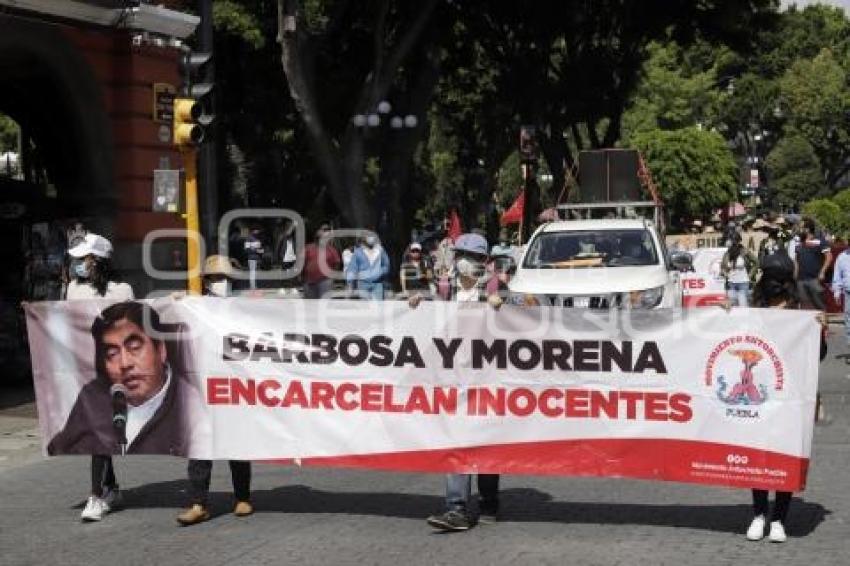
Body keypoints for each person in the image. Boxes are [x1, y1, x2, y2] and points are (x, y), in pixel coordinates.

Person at [410, 232, 505, 532]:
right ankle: (456, 508)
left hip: (487, 377)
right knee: (457, 440)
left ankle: (489, 500)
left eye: (475, 257)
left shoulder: (494, 286)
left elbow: (521, 319)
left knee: (485, 444)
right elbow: (431, 314)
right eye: (462, 254)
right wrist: (417, 303)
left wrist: (503, 305)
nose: (467, 261)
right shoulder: (445, 288)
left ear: (485, 261)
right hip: (453, 378)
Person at [744, 275, 826, 543]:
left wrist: (819, 330)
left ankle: (778, 518)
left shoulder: (800, 317)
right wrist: (725, 311)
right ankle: (759, 514)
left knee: (784, 456)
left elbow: (818, 354)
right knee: (757, 456)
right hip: (759, 398)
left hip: (789, 399)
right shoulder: (752, 315)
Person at [48, 300, 186, 456]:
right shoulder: (93, 396)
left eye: (134, 348)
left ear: (161, 350)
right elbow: (59, 449)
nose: (124, 364)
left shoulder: (190, 405)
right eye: (112, 354)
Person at [59, 233, 134, 522]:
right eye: (76, 258)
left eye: (83, 258)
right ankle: (111, 488)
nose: (78, 263)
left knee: (101, 429)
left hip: (115, 370)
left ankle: (96, 495)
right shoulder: (73, 290)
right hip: (85, 366)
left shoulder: (122, 289)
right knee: (98, 430)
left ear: (99, 259)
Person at [177, 255, 253, 526]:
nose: (222, 283)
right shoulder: (195, 306)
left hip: (234, 385)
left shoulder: (242, 308)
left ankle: (242, 497)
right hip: (202, 384)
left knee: (237, 443)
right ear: (207, 282)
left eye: (226, 279)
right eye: (217, 278)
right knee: (200, 445)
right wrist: (176, 304)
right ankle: (199, 503)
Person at [794, 219, 832, 310]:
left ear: (807, 229)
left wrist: (822, 272)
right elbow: (797, 259)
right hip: (801, 279)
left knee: (819, 305)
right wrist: (795, 273)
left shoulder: (820, 241)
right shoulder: (799, 242)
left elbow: (829, 257)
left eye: (801, 227)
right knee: (804, 306)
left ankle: (823, 324)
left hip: (815, 279)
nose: (799, 229)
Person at [345, 233, 390, 300]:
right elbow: (352, 269)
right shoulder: (358, 252)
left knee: (378, 307)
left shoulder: (380, 250)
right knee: (365, 307)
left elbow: (386, 265)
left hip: (377, 284)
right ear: (364, 239)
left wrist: (380, 272)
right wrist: (350, 285)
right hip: (363, 284)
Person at [302, 224, 341, 299]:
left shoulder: (331, 250)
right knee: (310, 305)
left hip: (325, 281)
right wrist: (301, 277)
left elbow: (337, 263)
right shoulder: (308, 248)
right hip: (309, 281)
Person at [721, 234, 758, 307]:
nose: (728, 242)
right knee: (732, 307)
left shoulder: (745, 251)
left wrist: (750, 275)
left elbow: (756, 262)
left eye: (730, 240)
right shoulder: (727, 253)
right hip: (731, 283)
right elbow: (723, 267)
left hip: (743, 282)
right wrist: (725, 274)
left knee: (743, 306)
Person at [832, 243, 850, 351]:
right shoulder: (842, 257)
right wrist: (837, 292)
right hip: (848, 293)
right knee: (848, 320)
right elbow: (837, 276)